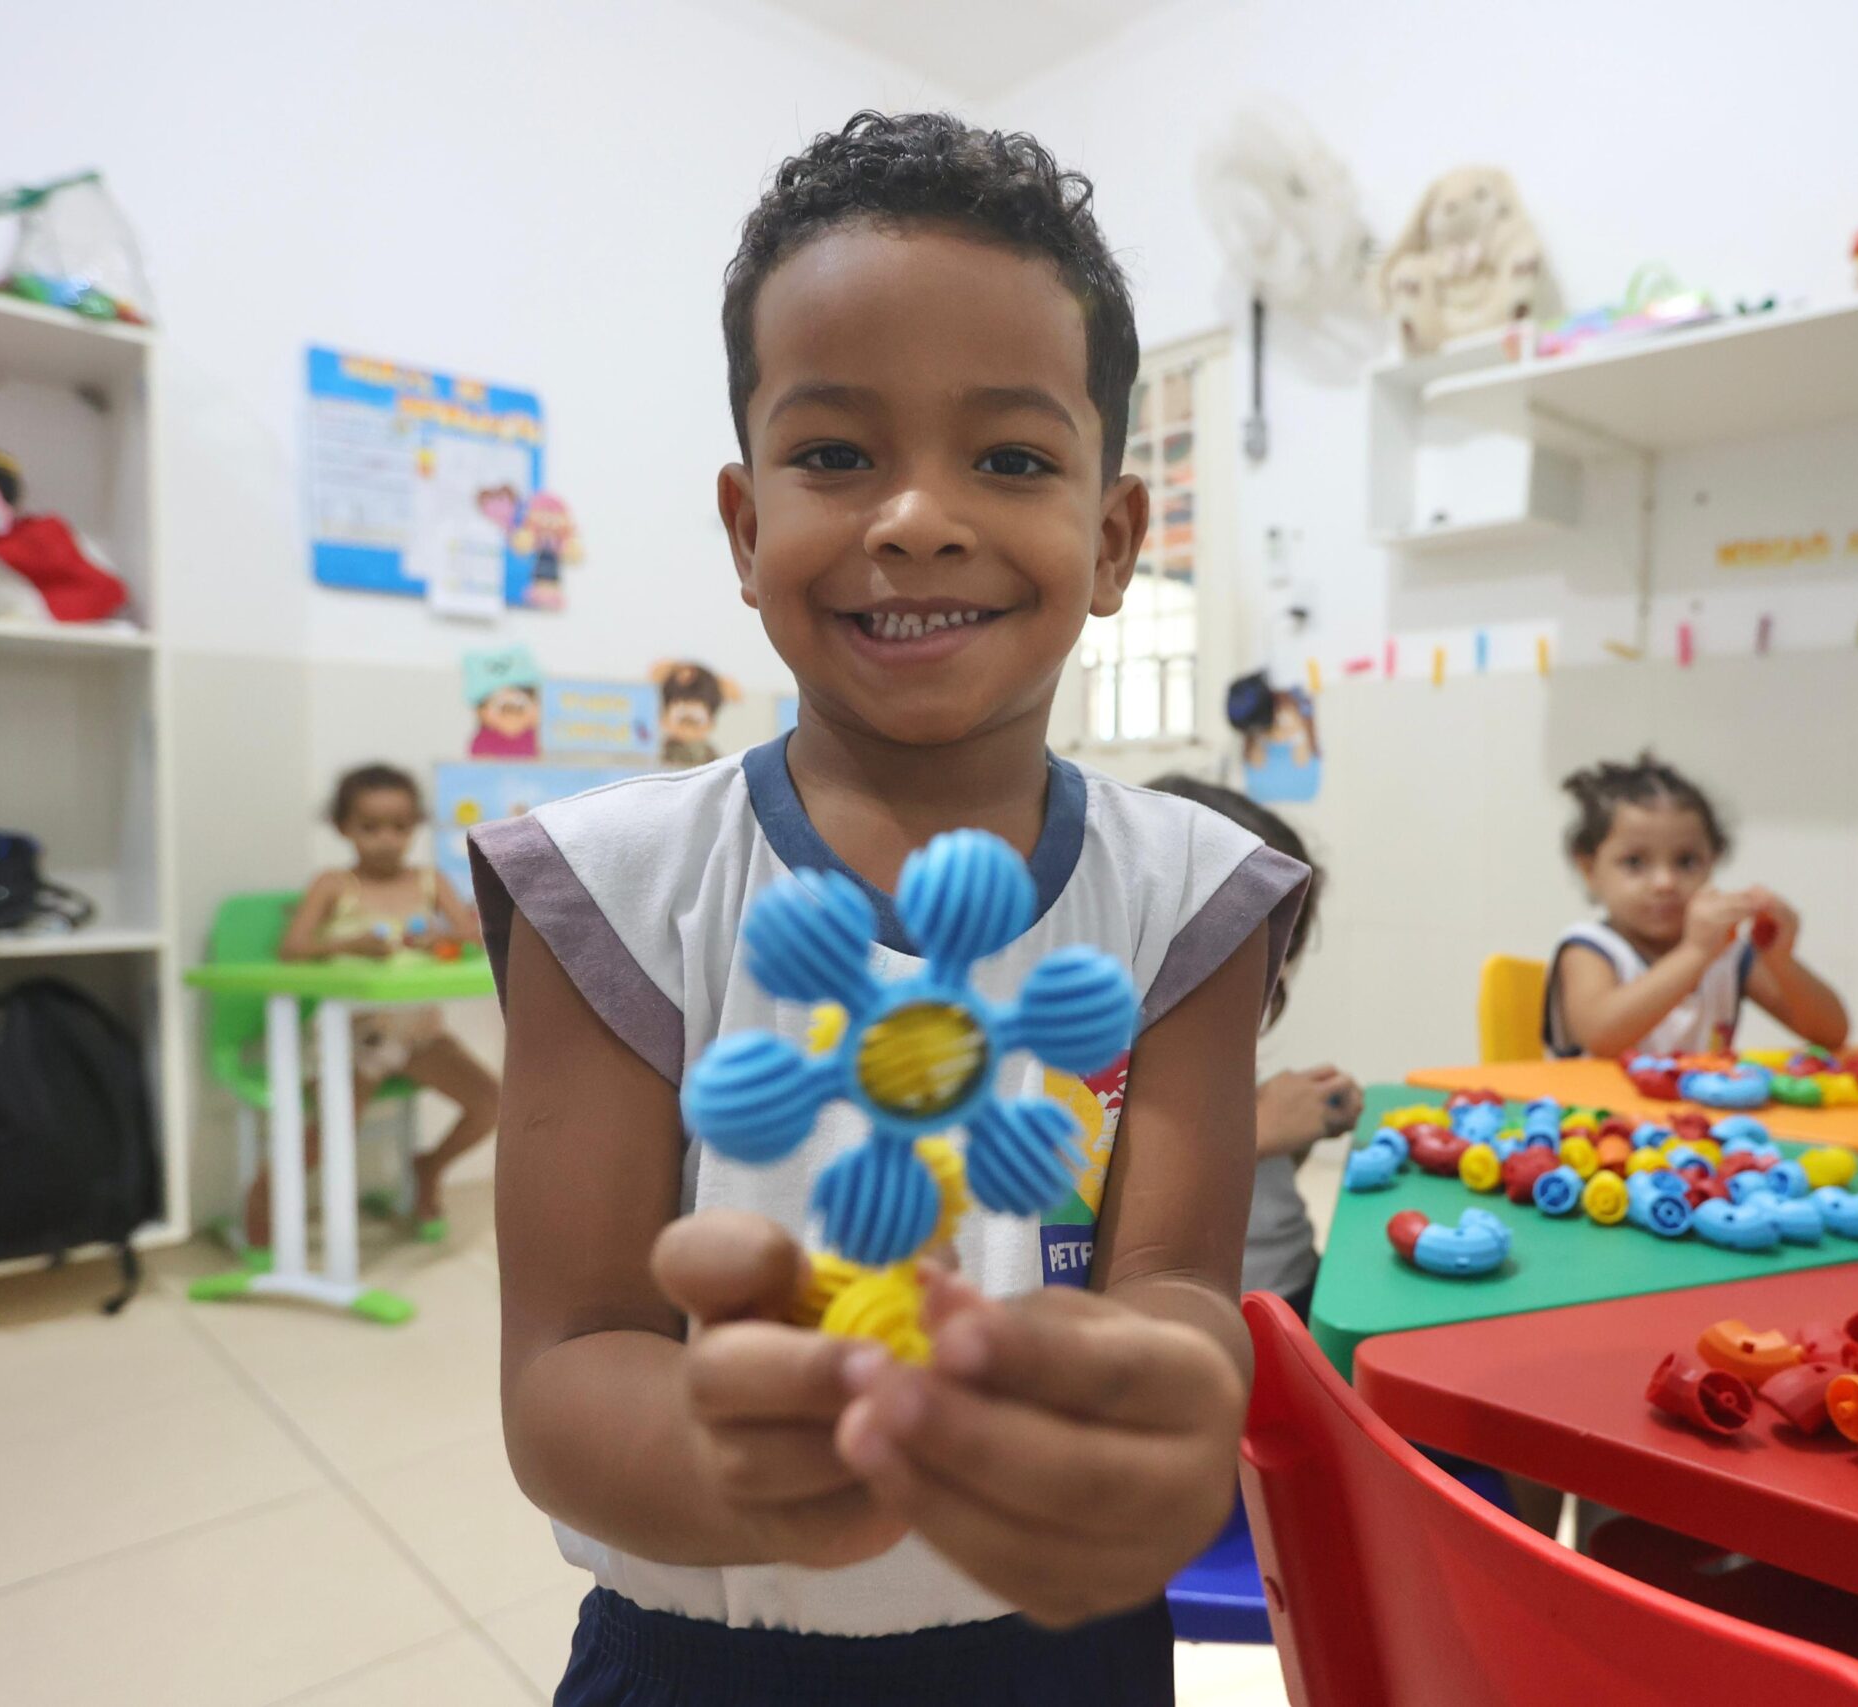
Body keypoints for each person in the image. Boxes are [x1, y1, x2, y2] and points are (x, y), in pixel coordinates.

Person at [470, 112, 1308, 1705]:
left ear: (1116, 535)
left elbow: (1179, 1284)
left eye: (1010, 457)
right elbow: (568, 1358)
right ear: (744, 523)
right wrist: (752, 1458)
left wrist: (1165, 1395)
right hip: (703, 1656)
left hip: (1067, 1648)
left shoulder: (1191, 900)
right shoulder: (621, 890)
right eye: (837, 453)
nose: (917, 516)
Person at [1148, 775, 1357, 1323]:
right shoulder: (1107, 1073)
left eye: (1276, 966)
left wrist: (1301, 1128)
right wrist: (1263, 1130)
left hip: (1298, 1289)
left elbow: (1250, 1197)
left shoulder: (1227, 1060)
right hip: (1234, 1318)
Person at [270, 764, 497, 1238]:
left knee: (490, 1102)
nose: (387, 840)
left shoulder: (431, 881)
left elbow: (474, 935)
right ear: (344, 828)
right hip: (354, 1038)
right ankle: (261, 1203)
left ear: (415, 827)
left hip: (419, 1035)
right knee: (330, 1135)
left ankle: (429, 1168)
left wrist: (443, 936)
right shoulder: (333, 883)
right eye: (370, 827)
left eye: (400, 827)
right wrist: (348, 945)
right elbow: (291, 949)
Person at [1546, 753, 1848, 1059]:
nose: (1665, 882)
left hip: (1699, 1109)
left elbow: (1831, 1034)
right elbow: (1601, 1036)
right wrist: (1695, 953)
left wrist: (1781, 961)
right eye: (1635, 862)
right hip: (1594, 1107)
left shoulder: (1725, 953)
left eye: (1686, 861)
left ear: (1712, 862)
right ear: (1589, 870)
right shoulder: (1589, 948)